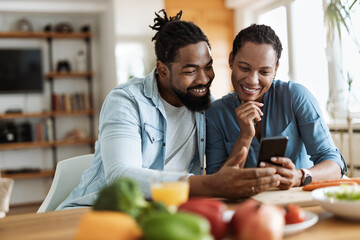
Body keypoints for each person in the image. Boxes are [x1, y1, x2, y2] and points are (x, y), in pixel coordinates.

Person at [57, 11, 280, 210]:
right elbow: (120, 177)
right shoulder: (126, 101)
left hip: (162, 213)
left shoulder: (205, 105)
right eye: (191, 70)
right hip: (96, 211)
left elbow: (221, 176)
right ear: (162, 70)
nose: (204, 79)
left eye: (208, 67)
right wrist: (208, 184)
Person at [205, 24, 347, 190]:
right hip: (249, 207)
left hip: (299, 200)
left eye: (264, 72)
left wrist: (300, 176)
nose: (252, 80)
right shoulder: (216, 113)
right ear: (231, 60)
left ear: (276, 69)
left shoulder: (295, 96)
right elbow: (216, 183)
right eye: (244, 68)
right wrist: (245, 136)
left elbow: (335, 163)